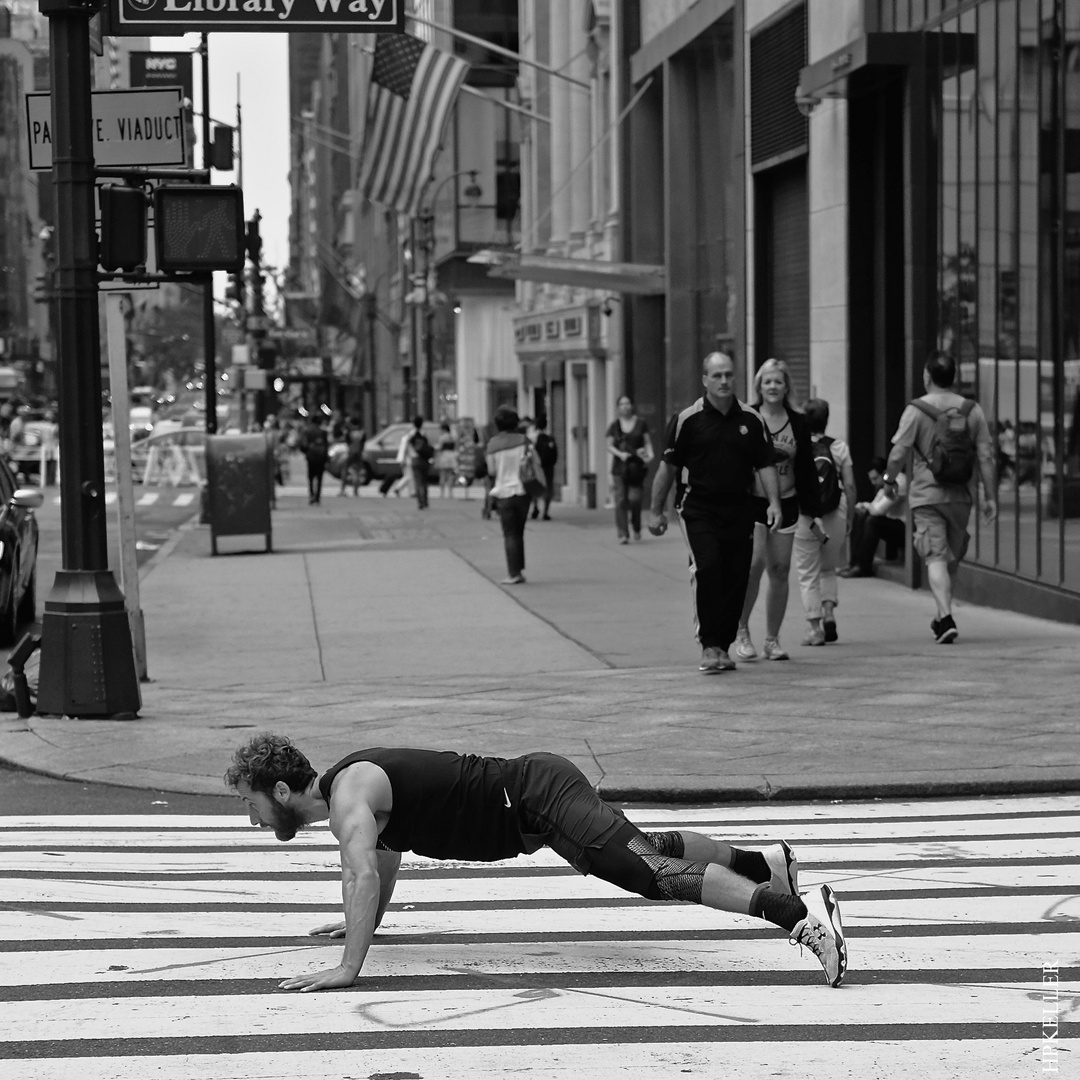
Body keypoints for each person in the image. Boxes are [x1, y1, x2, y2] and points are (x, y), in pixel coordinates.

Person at [225, 733, 848, 992]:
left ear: (280, 792)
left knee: (649, 875)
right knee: (642, 848)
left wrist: (347, 968)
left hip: (538, 799)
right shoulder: (353, 790)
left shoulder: (347, 797)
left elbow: (360, 870)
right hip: (537, 799)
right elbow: (381, 867)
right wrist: (362, 922)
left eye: (250, 803)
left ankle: (799, 913)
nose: (251, 818)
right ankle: (765, 864)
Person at [648, 352, 782, 674]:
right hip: (698, 508)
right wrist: (656, 512)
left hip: (739, 507)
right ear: (705, 379)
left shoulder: (751, 419)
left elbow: (764, 464)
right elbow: (668, 468)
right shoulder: (687, 420)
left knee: (738, 574)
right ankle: (709, 645)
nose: (724, 381)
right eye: (717, 375)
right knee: (708, 567)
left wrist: (775, 503)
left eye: (728, 375)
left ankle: (723, 646)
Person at [884, 350, 996, 643]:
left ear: (927, 376)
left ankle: (945, 617)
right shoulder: (972, 410)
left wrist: (888, 481)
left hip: (926, 496)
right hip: (961, 496)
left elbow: (898, 453)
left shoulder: (916, 410)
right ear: (953, 377)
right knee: (950, 560)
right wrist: (990, 497)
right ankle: (940, 616)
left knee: (935, 557)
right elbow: (985, 455)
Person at [735, 360, 824, 662]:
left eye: (778, 382)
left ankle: (772, 640)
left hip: (788, 501)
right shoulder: (747, 417)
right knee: (754, 565)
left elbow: (806, 469)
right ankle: (742, 629)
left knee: (780, 570)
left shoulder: (798, 421)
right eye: (767, 382)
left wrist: (813, 511)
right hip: (754, 502)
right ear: (758, 386)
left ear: (787, 387)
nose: (772, 387)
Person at [792, 398, 857, 645]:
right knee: (828, 568)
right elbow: (850, 485)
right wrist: (849, 517)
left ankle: (815, 629)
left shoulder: (799, 447)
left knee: (808, 573)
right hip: (835, 510)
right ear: (826, 419)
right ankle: (829, 613)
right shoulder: (839, 447)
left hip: (807, 514)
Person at [485, 406, 533, 584]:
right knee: (519, 532)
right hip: (523, 491)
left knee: (510, 534)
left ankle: (513, 573)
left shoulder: (493, 444)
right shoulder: (524, 440)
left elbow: (491, 470)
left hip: (504, 492)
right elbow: (533, 461)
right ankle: (519, 569)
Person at [840, 457, 907, 578]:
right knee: (862, 515)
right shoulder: (886, 482)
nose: (873, 483)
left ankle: (864, 567)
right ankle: (854, 563)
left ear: (884, 474)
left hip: (906, 530)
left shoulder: (899, 482)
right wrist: (864, 507)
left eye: (875, 478)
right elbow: (874, 506)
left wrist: (866, 506)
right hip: (893, 524)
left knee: (872, 521)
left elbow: (878, 510)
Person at [606, 395, 655, 543]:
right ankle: (623, 533)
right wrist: (620, 454)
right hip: (620, 468)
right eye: (622, 404)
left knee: (635, 499)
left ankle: (636, 525)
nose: (625, 406)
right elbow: (609, 445)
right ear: (618, 407)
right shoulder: (614, 426)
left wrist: (650, 455)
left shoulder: (641, 423)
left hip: (636, 468)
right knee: (620, 500)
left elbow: (647, 442)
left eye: (627, 403)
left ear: (632, 406)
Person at [529, 416, 559, 520]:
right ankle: (545, 511)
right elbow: (555, 455)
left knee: (535, 486)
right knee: (548, 487)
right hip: (548, 467)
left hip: (536, 467)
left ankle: (535, 507)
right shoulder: (550, 437)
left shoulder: (532, 437)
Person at [299, 412, 330, 505]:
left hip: (311, 456)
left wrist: (306, 451)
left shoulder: (307, 431)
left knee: (311, 477)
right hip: (320, 457)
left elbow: (302, 445)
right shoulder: (323, 432)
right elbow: (326, 445)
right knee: (319, 477)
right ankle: (318, 496)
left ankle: (311, 494)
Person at [402, 416, 431, 510]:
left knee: (418, 482)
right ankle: (426, 501)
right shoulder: (424, 434)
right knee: (424, 481)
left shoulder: (410, 435)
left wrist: (404, 458)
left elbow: (406, 448)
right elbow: (429, 446)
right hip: (424, 460)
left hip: (415, 460)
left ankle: (420, 502)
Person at [338, 419, 366, 497]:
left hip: (351, 453)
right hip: (359, 453)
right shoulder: (362, 433)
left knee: (345, 470)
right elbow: (363, 444)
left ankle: (342, 490)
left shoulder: (349, 433)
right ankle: (356, 491)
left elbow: (347, 442)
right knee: (357, 472)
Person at [435, 421, 457, 499]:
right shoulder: (452, 437)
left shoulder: (442, 437)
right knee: (450, 475)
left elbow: (439, 447)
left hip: (444, 455)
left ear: (443, 429)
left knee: (442, 475)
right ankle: (450, 493)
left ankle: (442, 493)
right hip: (451, 456)